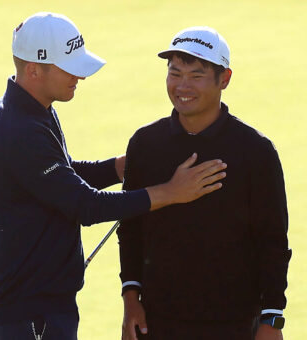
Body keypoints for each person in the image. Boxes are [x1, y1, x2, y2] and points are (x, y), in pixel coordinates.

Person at [0, 15, 227, 340]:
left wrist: (117, 168)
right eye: (69, 66)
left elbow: (61, 177)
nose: (80, 75)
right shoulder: (17, 129)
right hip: (28, 313)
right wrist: (170, 192)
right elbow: (84, 205)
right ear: (34, 70)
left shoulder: (33, 111)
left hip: (40, 305)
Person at [117, 26, 292, 340]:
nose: (182, 85)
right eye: (175, 73)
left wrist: (272, 319)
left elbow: (273, 242)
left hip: (235, 325)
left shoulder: (256, 152)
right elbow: (130, 231)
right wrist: (131, 301)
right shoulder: (145, 144)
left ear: (224, 79)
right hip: (157, 324)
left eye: (196, 75)